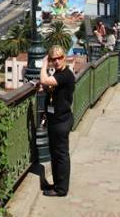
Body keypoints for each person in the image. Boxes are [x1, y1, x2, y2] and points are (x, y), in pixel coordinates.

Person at [40, 45, 75, 197]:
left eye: (59, 58)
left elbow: (46, 80)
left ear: (64, 57)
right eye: (53, 59)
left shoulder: (66, 74)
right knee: (56, 154)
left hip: (61, 121)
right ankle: (57, 184)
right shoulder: (60, 73)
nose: (56, 61)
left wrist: (43, 64)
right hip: (56, 120)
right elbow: (52, 87)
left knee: (61, 155)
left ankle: (61, 189)